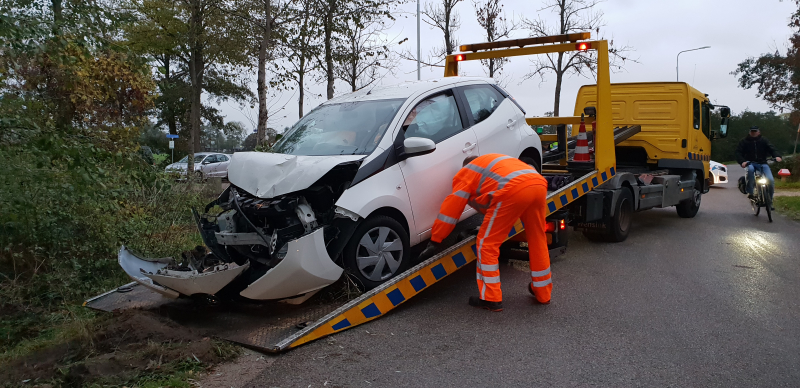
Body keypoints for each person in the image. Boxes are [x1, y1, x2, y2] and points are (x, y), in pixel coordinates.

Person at [418, 154, 551, 312]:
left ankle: (490, 297)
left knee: (486, 244)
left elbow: (452, 208)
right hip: (538, 184)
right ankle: (543, 292)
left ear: (465, 165)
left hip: (512, 189)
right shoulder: (492, 164)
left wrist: (436, 240)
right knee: (537, 238)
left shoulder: (466, 172)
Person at [735, 126, 782, 208]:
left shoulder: (764, 140)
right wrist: (742, 161)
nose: (753, 133)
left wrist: (777, 156)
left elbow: (772, 149)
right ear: (749, 132)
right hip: (750, 163)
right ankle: (750, 192)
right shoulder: (744, 141)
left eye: (755, 131)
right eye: (752, 131)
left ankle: (769, 202)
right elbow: (738, 152)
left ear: (758, 132)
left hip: (763, 163)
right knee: (750, 170)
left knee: (770, 180)